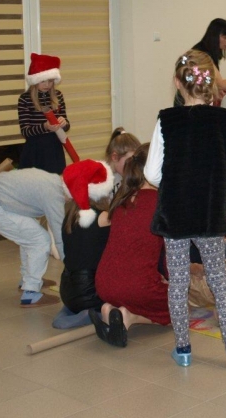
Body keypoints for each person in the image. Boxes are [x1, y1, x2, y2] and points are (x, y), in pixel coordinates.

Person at [144, 50, 226, 369]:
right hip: (209, 213)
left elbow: (151, 173)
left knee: (178, 281)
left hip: (176, 213)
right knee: (219, 279)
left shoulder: (166, 120)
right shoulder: (223, 121)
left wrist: (177, 177)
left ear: (178, 82)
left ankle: (182, 349)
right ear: (212, 85)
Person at [0, 159, 112, 307]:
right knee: (39, 240)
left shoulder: (53, 180)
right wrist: (71, 270)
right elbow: (60, 236)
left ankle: (28, 280)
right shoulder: (54, 195)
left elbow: (16, 191)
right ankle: (30, 293)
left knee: (30, 236)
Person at [91, 144, 171, 347]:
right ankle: (130, 316)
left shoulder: (122, 200)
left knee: (133, 285)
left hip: (103, 284)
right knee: (179, 309)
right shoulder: (163, 204)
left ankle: (109, 309)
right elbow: (170, 257)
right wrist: (171, 284)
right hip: (135, 288)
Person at [53, 175, 113, 330]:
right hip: (89, 292)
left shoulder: (71, 215)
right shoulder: (104, 217)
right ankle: (92, 313)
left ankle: (75, 312)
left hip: (67, 290)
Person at [17, 53, 70, 174]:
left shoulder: (58, 96)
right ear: (35, 80)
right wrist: (45, 127)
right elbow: (25, 131)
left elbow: (67, 126)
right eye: (43, 81)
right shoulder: (25, 99)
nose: (47, 85)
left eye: (50, 81)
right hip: (34, 151)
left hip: (54, 149)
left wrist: (64, 123)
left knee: (55, 182)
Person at [175, 18, 226, 105]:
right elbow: (221, 83)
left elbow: (215, 83)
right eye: (225, 37)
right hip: (187, 100)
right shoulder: (202, 54)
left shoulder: (207, 52)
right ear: (214, 36)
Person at [104, 127, 141, 193]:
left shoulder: (127, 176)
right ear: (115, 157)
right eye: (129, 160)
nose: (133, 166)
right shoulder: (100, 180)